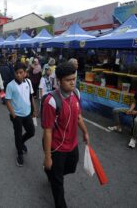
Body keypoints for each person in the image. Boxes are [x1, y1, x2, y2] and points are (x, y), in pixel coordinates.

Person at [41, 62, 89, 208]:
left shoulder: (76, 94)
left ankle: (52, 172)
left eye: (74, 79)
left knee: (71, 167)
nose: (73, 82)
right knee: (58, 181)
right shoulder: (51, 101)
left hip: (72, 144)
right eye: (69, 80)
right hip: (57, 147)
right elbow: (47, 131)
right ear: (59, 81)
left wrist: (85, 132)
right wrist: (48, 157)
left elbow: (79, 116)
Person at [5, 62, 37, 167]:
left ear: (25, 73)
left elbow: (31, 96)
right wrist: (14, 115)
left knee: (31, 132)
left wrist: (34, 109)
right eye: (17, 73)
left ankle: (21, 142)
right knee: (17, 135)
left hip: (27, 114)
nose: (18, 75)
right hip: (17, 116)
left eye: (21, 72)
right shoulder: (10, 85)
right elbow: (8, 101)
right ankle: (19, 154)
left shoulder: (28, 82)